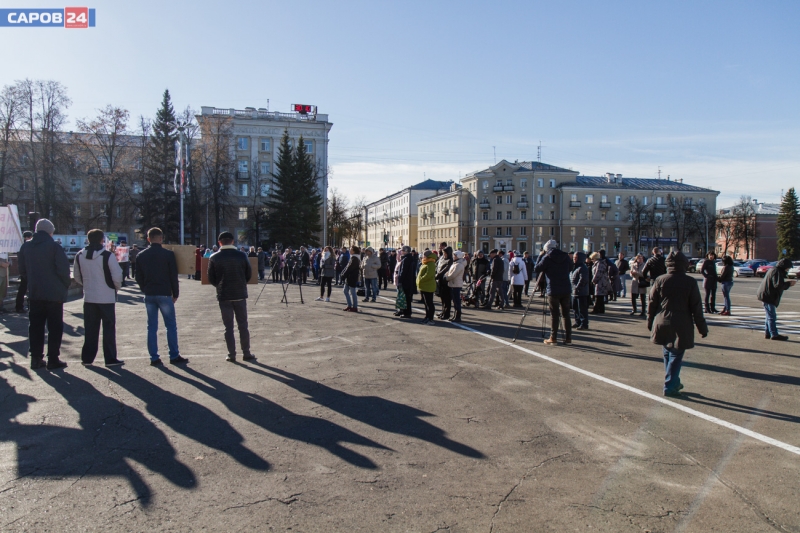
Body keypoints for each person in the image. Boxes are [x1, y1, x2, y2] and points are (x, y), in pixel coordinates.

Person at [647, 251, 708, 397]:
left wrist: (650, 321)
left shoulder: (660, 280)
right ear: (684, 264)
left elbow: (652, 303)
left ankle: (674, 382)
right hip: (681, 323)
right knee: (675, 354)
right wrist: (702, 328)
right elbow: (696, 307)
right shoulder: (690, 282)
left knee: (667, 353)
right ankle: (669, 385)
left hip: (662, 321)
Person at [19, 219, 71, 370]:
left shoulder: (26, 247)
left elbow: (22, 270)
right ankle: (53, 359)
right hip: (54, 294)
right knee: (55, 328)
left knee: (35, 327)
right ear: (50, 232)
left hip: (35, 293)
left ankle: (36, 359)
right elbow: (63, 270)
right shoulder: (54, 247)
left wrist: (32, 282)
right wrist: (63, 286)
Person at [135, 227, 188, 366]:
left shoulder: (141, 255)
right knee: (170, 326)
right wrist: (175, 293)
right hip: (164, 293)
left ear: (148, 239)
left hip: (149, 293)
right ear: (161, 238)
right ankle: (174, 355)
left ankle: (154, 357)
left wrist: (144, 288)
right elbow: (173, 276)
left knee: (151, 327)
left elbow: (138, 276)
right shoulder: (168, 254)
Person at [73, 229, 124, 367]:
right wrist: (115, 287)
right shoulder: (107, 255)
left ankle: (87, 358)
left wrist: (86, 285)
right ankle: (110, 358)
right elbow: (117, 275)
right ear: (102, 240)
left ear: (88, 240)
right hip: (106, 297)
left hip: (89, 297)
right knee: (108, 329)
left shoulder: (79, 255)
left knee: (90, 328)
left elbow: (77, 276)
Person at [208, 232, 254, 362]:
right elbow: (248, 274)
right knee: (243, 325)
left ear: (219, 243)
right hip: (240, 294)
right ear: (233, 241)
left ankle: (231, 354)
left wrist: (220, 286)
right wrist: (241, 283)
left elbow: (211, 278)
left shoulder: (214, 257)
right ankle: (246, 352)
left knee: (228, 327)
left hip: (224, 295)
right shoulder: (242, 255)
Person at [534, 240, 573, 345]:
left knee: (555, 315)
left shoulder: (547, 257)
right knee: (566, 314)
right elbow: (571, 267)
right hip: (566, 288)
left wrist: (540, 256)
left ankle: (553, 337)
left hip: (553, 289)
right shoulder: (565, 256)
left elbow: (536, 268)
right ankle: (568, 338)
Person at [756, 258, 796, 341]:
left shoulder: (773, 270)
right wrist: (789, 284)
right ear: (784, 267)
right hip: (768, 296)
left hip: (766, 295)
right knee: (771, 316)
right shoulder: (777, 271)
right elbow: (778, 285)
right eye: (788, 268)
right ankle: (774, 334)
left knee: (769, 315)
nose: (788, 270)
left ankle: (768, 333)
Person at [445, 250, 467, 322]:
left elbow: (453, 275)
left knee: (457, 301)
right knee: (454, 301)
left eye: (455, 255)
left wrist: (446, 278)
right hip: (453, 284)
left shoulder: (459, 265)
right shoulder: (455, 263)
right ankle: (455, 315)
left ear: (458, 256)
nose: (453, 256)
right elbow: (449, 272)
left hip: (456, 285)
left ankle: (458, 316)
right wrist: (446, 275)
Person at [14, 231, 33, 313]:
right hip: (28, 271)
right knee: (25, 289)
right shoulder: (28, 246)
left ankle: (19, 306)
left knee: (22, 289)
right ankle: (20, 306)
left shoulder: (23, 246)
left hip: (24, 272)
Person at [570, 251, 590, 330]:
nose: (574, 259)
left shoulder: (583, 268)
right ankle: (577, 321)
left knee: (582, 309)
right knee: (575, 308)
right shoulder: (575, 267)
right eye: (574, 257)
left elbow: (583, 280)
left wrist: (577, 288)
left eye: (576, 258)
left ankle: (584, 324)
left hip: (581, 292)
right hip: (574, 292)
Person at [417, 250, 437, 324]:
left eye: (424, 255)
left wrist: (421, 279)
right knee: (426, 303)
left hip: (428, 286)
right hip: (424, 286)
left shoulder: (431, 263)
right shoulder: (425, 262)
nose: (423, 257)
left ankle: (430, 318)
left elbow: (429, 275)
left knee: (429, 303)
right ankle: (427, 317)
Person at [340, 246, 362, 312]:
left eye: (351, 249)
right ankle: (349, 305)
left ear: (354, 251)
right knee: (345, 291)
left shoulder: (355, 258)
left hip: (352, 277)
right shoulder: (352, 257)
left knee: (353, 292)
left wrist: (344, 274)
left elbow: (350, 268)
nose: (350, 250)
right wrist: (343, 273)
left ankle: (355, 307)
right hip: (348, 277)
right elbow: (347, 267)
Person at [397, 245, 416, 318]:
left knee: (406, 298)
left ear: (406, 251)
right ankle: (405, 311)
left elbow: (403, 271)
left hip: (406, 281)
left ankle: (407, 313)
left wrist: (400, 281)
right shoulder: (409, 258)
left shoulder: (406, 259)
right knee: (407, 297)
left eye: (402, 250)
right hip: (408, 280)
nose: (401, 252)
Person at [436, 246, 454, 320]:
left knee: (447, 299)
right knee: (442, 298)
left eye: (445, 253)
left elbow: (445, 270)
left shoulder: (450, 260)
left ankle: (446, 314)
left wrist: (437, 275)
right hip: (440, 281)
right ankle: (443, 311)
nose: (444, 254)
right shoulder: (442, 258)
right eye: (443, 253)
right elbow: (437, 266)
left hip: (446, 281)